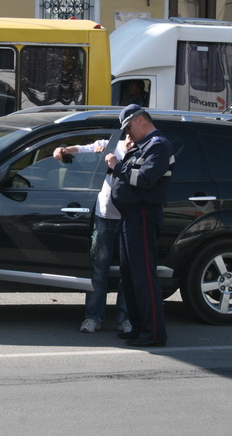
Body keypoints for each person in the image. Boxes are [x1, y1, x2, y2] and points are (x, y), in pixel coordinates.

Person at [106, 104, 174, 347]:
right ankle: (138, 327)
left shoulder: (158, 146)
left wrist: (117, 166)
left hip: (143, 215)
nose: (127, 133)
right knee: (130, 276)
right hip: (130, 216)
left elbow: (144, 179)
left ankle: (153, 333)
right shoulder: (140, 146)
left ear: (140, 120)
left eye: (128, 128)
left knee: (143, 276)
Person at [53, 138, 133, 334]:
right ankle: (93, 317)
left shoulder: (144, 151)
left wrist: (117, 165)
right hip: (104, 217)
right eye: (128, 134)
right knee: (98, 271)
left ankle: (125, 319)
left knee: (129, 272)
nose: (131, 140)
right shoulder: (110, 145)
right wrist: (63, 150)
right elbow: (82, 149)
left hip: (130, 218)